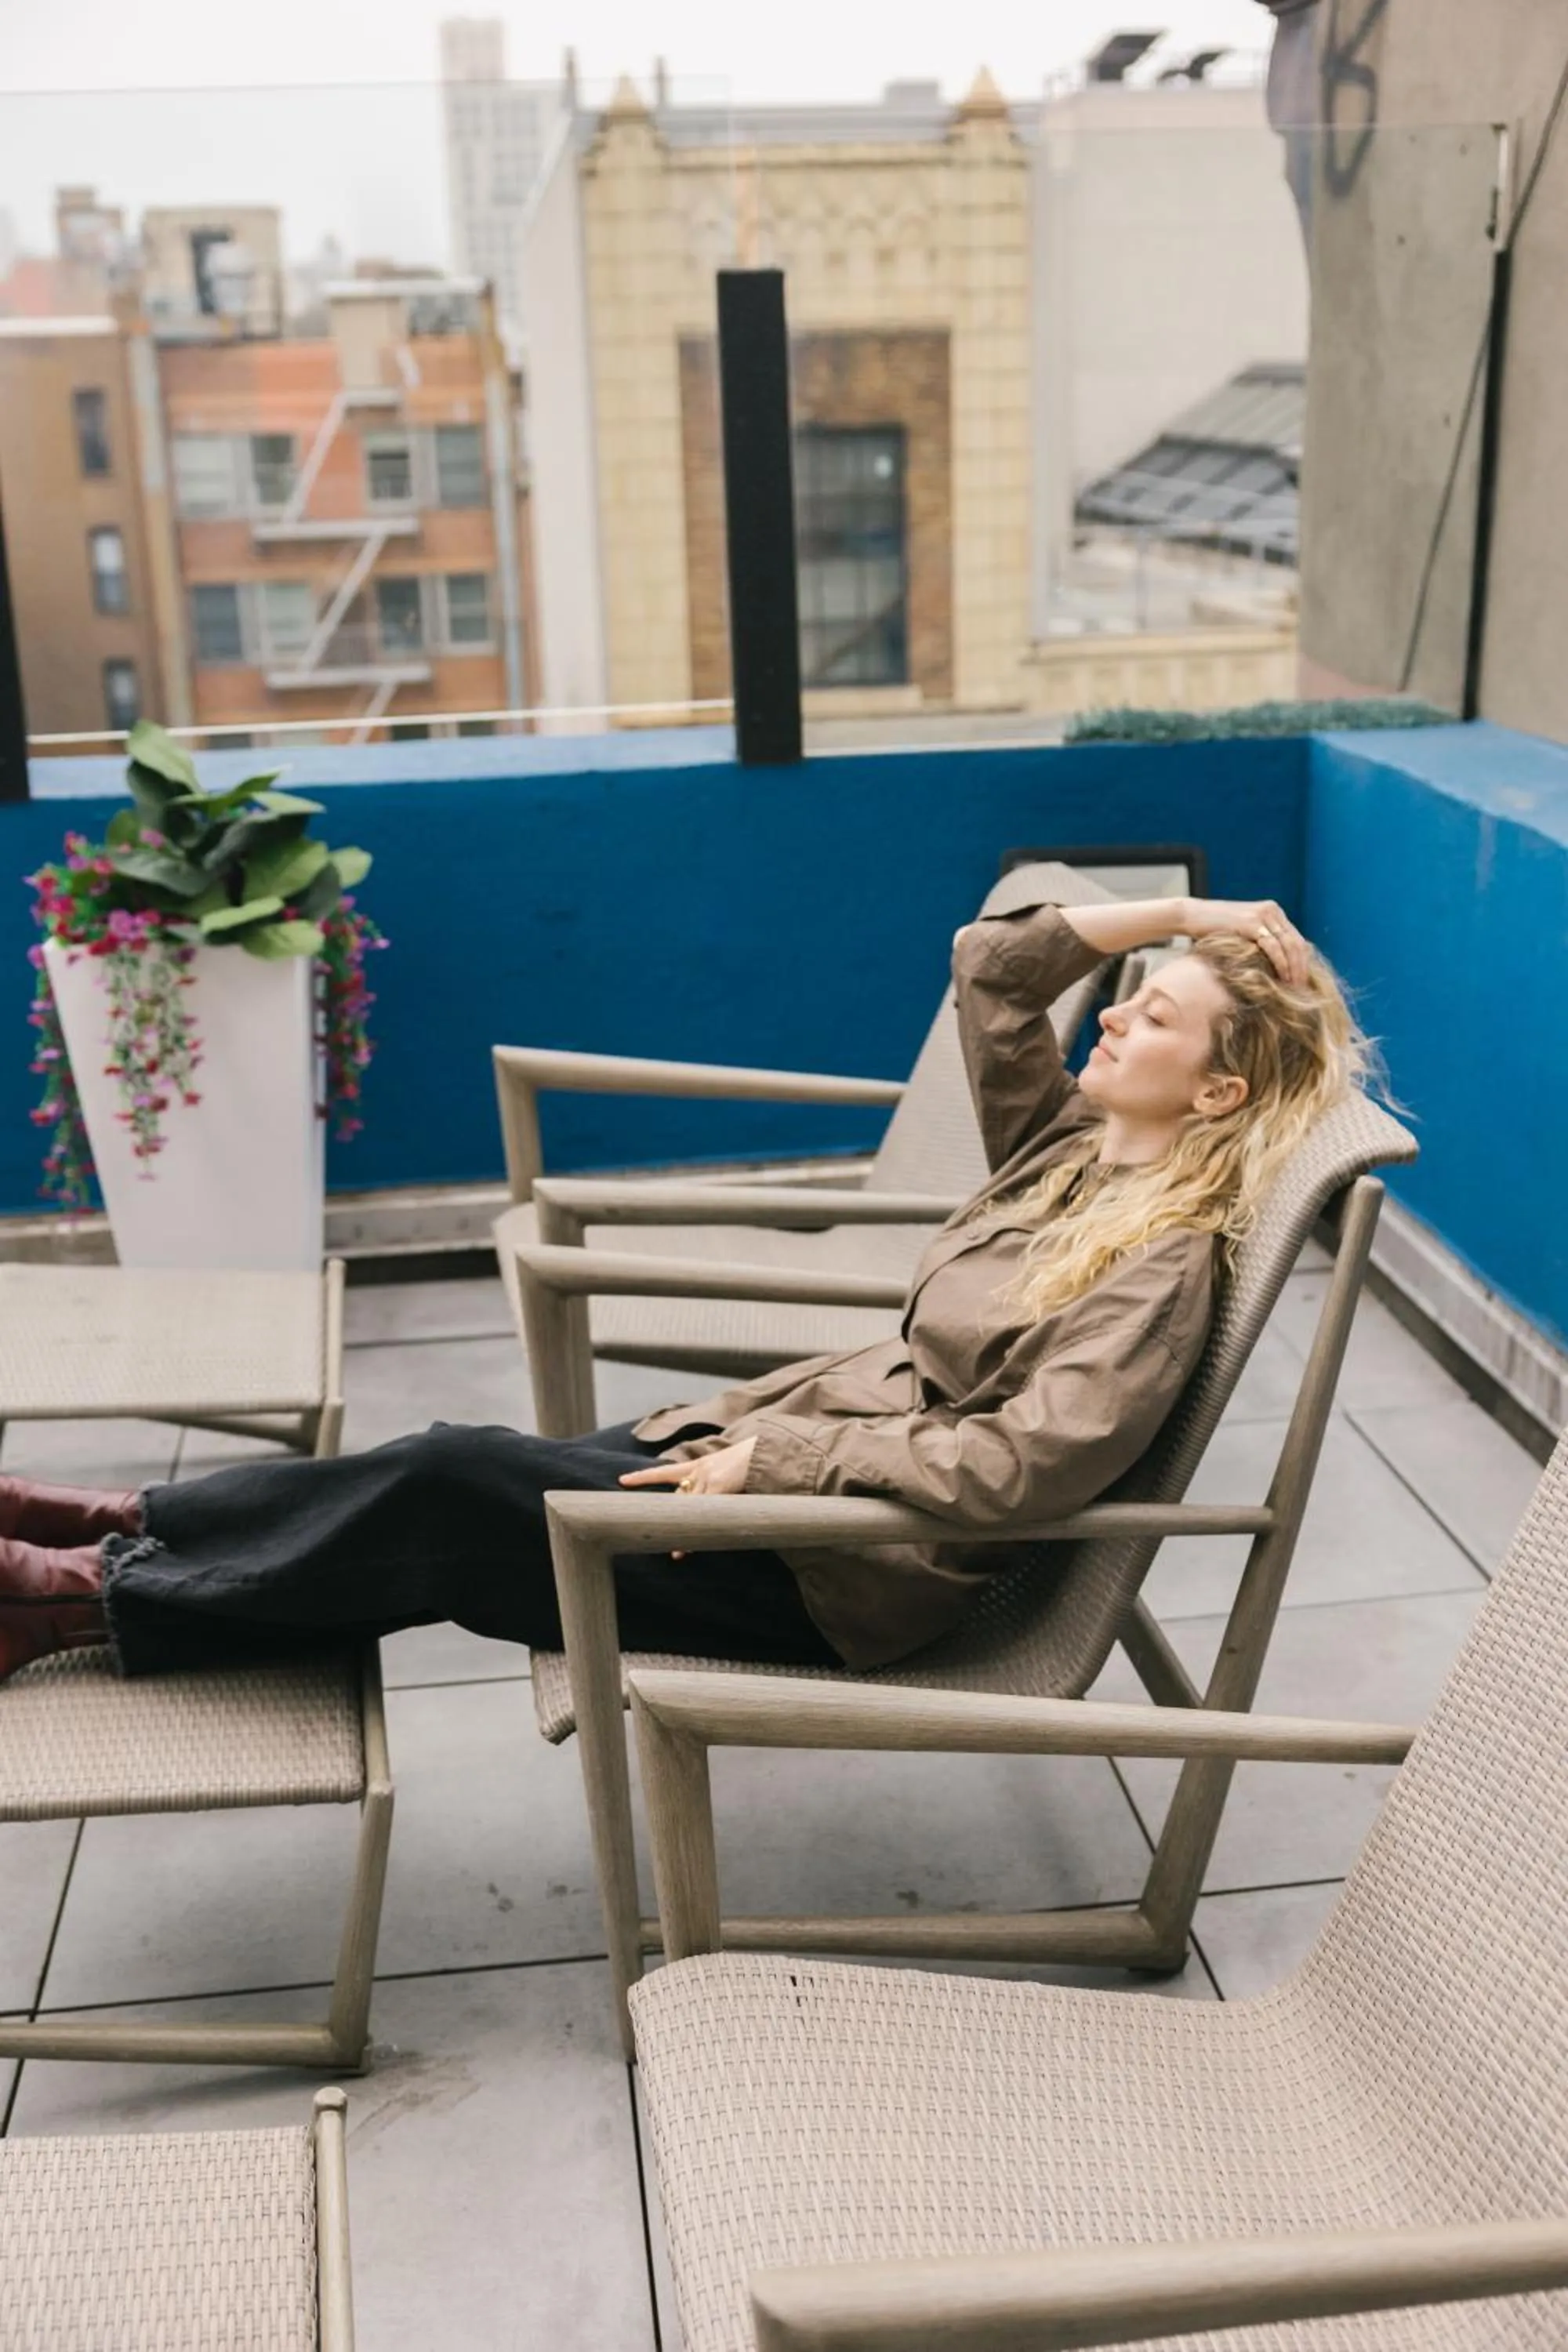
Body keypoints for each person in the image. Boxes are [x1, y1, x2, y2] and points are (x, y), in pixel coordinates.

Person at [0, 889, 1366, 1688]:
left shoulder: (1162, 1260)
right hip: (775, 1467)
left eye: (1154, 1015)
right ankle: (134, 1525)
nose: (1112, 1016)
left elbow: (1026, 1465)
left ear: (1219, 1088)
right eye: (1126, 996)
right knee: (447, 1466)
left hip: (843, 1568)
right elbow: (994, 969)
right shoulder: (1066, 1152)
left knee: (463, 1507)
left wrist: (783, 1459)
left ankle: (91, 1596)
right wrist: (1185, 916)